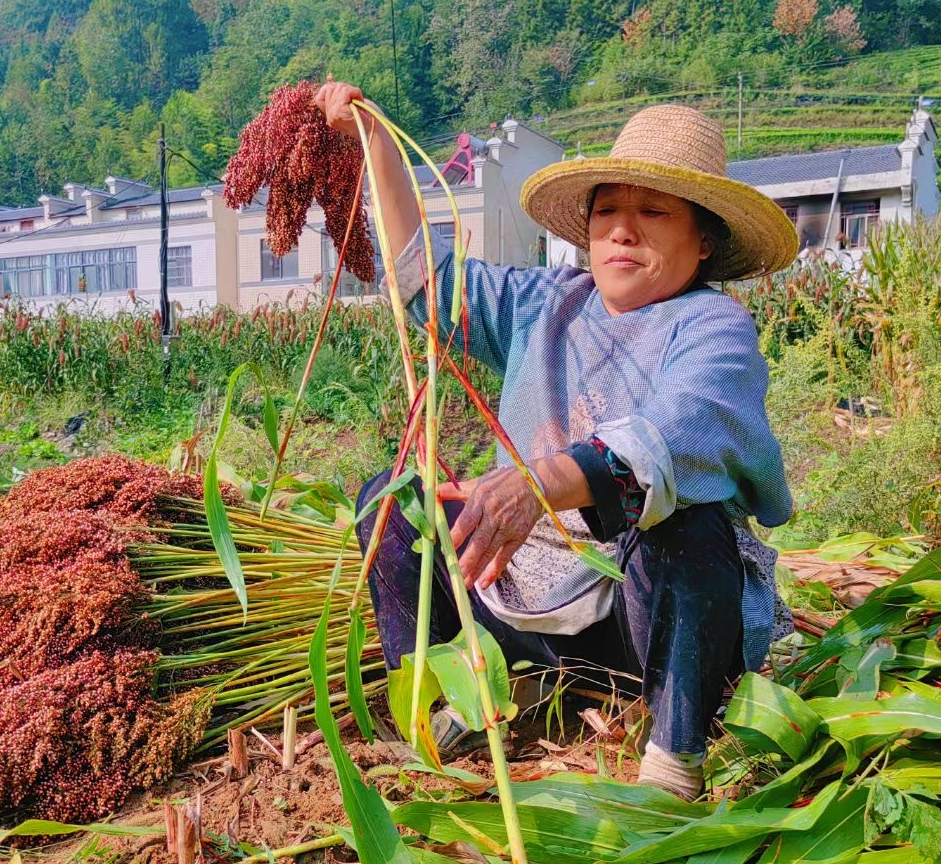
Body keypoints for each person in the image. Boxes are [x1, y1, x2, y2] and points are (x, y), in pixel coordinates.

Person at [314, 81, 800, 800]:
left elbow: (682, 428)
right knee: (392, 502)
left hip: (642, 626)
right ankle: (452, 696)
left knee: (684, 524)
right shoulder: (547, 306)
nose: (623, 231)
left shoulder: (711, 328)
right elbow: (425, 279)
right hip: (519, 594)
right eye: (608, 211)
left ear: (703, 241)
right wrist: (377, 147)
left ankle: (672, 762)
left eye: (652, 212)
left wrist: (540, 483)